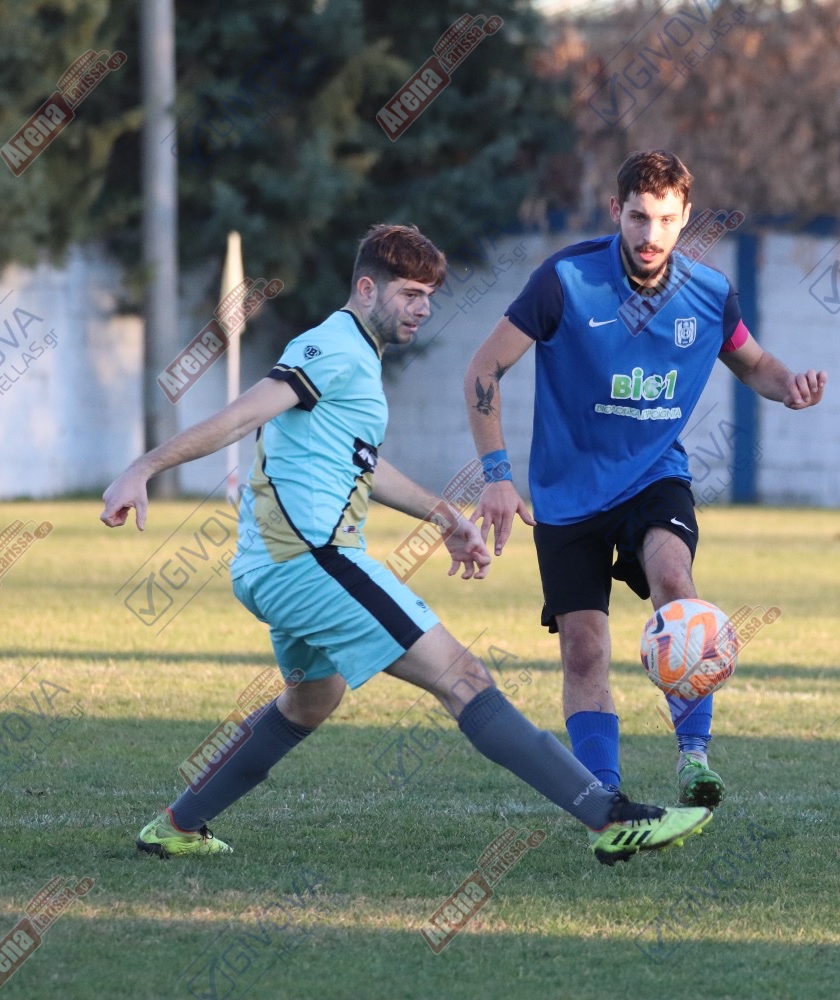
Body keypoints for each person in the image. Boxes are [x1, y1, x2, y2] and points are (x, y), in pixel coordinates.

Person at [100, 223, 710, 866]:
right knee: (462, 677)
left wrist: (442, 515)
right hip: (312, 561)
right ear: (367, 289)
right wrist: (144, 467)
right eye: (410, 294)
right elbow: (241, 416)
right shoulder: (332, 348)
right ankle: (608, 818)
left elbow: (362, 463)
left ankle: (177, 826)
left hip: (271, 566)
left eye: (429, 296)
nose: (422, 309)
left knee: (312, 698)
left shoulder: (356, 357)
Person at [463, 150, 826, 821]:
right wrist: (496, 476)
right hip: (567, 494)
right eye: (637, 217)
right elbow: (484, 369)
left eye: (664, 218)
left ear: (685, 217)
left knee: (676, 586)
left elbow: (754, 364)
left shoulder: (709, 293)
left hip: (654, 478)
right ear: (615, 212)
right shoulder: (565, 280)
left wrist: (791, 387)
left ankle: (694, 756)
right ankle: (604, 796)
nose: (650, 233)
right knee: (584, 650)